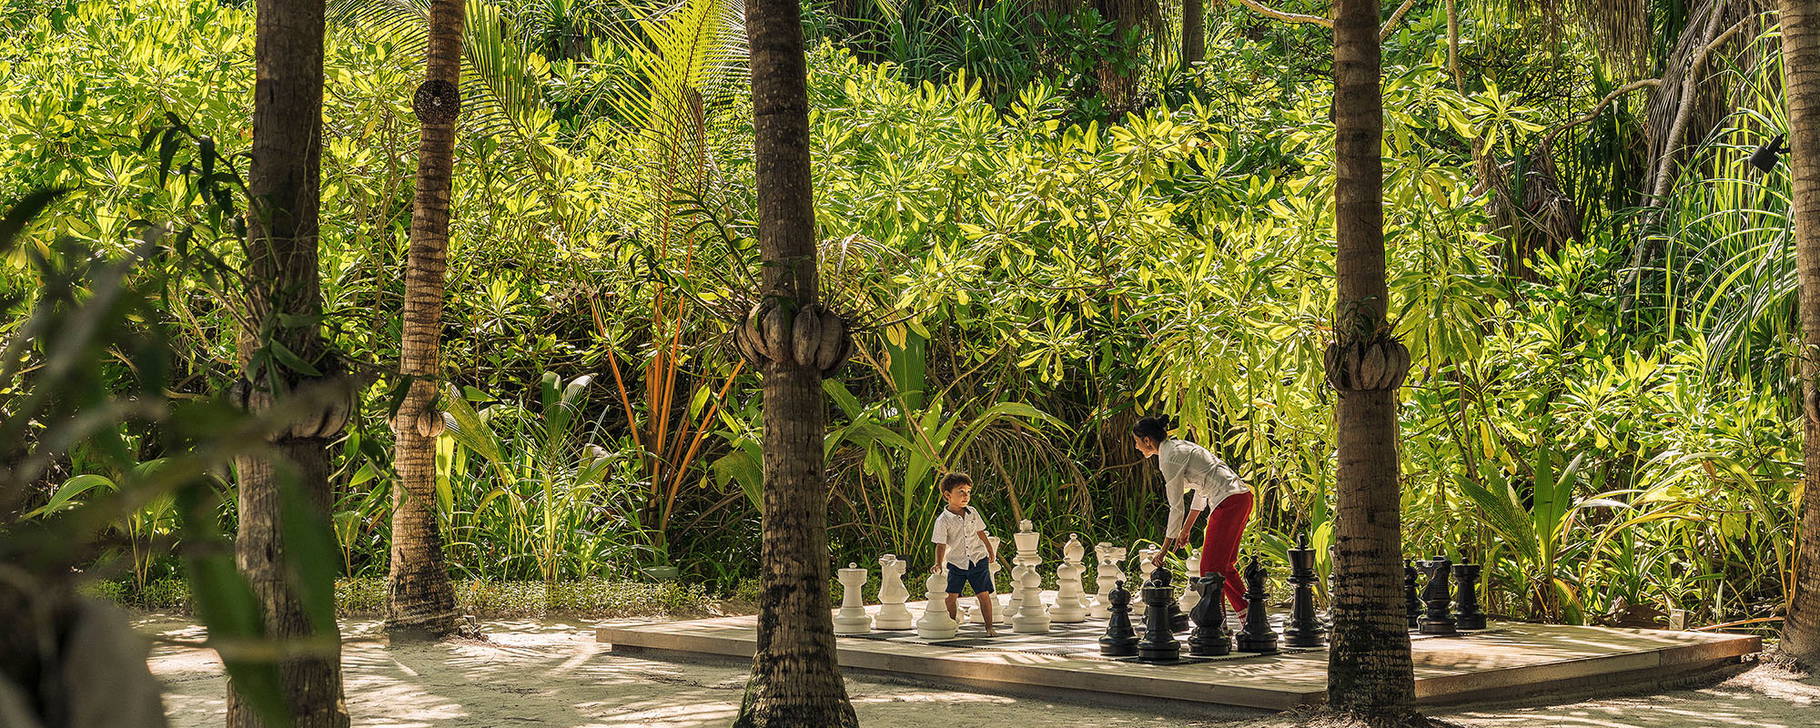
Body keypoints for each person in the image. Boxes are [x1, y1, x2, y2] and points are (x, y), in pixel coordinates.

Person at [1133, 414, 1252, 616]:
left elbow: (1176, 507)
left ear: (1147, 441)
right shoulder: (1179, 446)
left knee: (1210, 569)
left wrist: (1164, 550)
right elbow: (1200, 492)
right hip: (1242, 497)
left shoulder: (1169, 457)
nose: (1136, 447)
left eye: (1137, 442)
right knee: (1224, 566)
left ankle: (1215, 625)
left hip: (1228, 501)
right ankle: (1249, 617)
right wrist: (1185, 530)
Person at [930, 472, 999, 636]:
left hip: (977, 559)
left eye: (968, 492)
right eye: (961, 491)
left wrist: (990, 551)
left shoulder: (972, 512)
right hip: (956, 562)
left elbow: (981, 533)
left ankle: (989, 627)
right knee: (951, 596)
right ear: (948, 495)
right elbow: (941, 544)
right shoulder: (942, 520)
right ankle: (952, 626)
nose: (966, 496)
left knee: (984, 594)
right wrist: (939, 563)